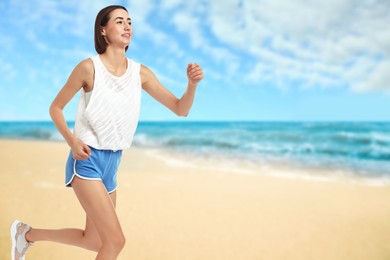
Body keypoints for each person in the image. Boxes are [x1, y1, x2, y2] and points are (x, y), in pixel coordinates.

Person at [10, 5, 203, 260]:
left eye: (130, 22)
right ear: (103, 30)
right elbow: (55, 108)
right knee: (116, 241)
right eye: (120, 22)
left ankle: (26, 235)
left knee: (94, 241)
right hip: (87, 161)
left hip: (113, 164)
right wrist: (72, 141)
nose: (127, 27)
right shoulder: (88, 68)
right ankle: (26, 236)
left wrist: (191, 86)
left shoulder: (140, 73)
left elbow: (180, 109)